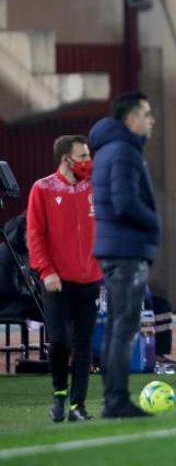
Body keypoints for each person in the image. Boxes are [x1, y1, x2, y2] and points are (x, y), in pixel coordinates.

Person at [88, 92, 159, 419]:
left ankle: (113, 399)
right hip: (126, 249)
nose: (151, 120)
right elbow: (125, 203)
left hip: (115, 247)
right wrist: (154, 221)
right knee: (123, 328)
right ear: (131, 119)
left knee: (118, 326)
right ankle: (115, 400)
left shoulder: (108, 151)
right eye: (146, 114)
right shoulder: (124, 152)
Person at [25, 136, 101, 423]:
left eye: (88, 155)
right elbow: (34, 234)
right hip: (56, 281)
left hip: (90, 279)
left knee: (84, 346)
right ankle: (59, 394)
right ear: (65, 159)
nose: (87, 162)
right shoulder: (43, 189)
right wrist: (46, 271)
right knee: (59, 343)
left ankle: (77, 406)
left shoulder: (95, 188)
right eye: (82, 156)